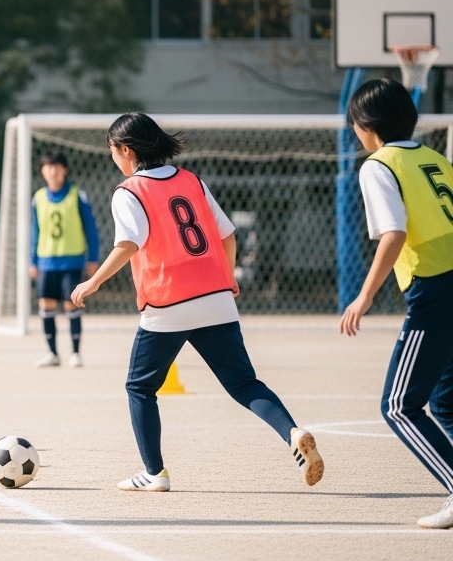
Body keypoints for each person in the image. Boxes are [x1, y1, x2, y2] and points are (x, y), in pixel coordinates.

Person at [70, 112, 323, 492]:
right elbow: (227, 235)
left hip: (168, 302)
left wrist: (93, 282)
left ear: (126, 150)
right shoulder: (191, 180)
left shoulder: (129, 191)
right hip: (216, 297)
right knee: (244, 383)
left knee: (140, 388)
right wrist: (229, 278)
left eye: (112, 150)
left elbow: (128, 244)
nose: (113, 158)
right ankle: (292, 432)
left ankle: (154, 473)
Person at [339, 77, 453, 529]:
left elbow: (394, 234)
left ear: (366, 126)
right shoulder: (436, 159)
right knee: (446, 403)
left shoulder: (378, 165)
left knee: (399, 405)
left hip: (434, 287)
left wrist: (364, 296)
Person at [29, 152, 100, 367]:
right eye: (48, 166)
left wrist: (93, 258)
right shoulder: (38, 198)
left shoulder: (77, 196)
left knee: (72, 304)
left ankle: (75, 353)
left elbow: (91, 229)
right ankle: (52, 353)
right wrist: (33, 260)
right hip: (46, 261)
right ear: (42, 171)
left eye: (57, 166)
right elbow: (35, 232)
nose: (53, 171)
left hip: (72, 261)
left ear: (65, 170)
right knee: (46, 304)